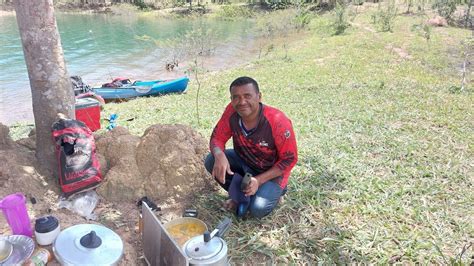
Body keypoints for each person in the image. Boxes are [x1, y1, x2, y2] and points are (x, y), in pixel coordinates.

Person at [205, 76, 298, 218]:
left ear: (259, 97)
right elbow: (217, 138)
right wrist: (219, 155)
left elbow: (289, 159)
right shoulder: (231, 112)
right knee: (211, 160)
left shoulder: (277, 121)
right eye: (236, 97)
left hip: (271, 172)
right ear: (231, 100)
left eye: (247, 96)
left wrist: (259, 180)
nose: (242, 102)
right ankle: (239, 195)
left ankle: (277, 191)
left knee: (257, 209)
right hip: (245, 163)